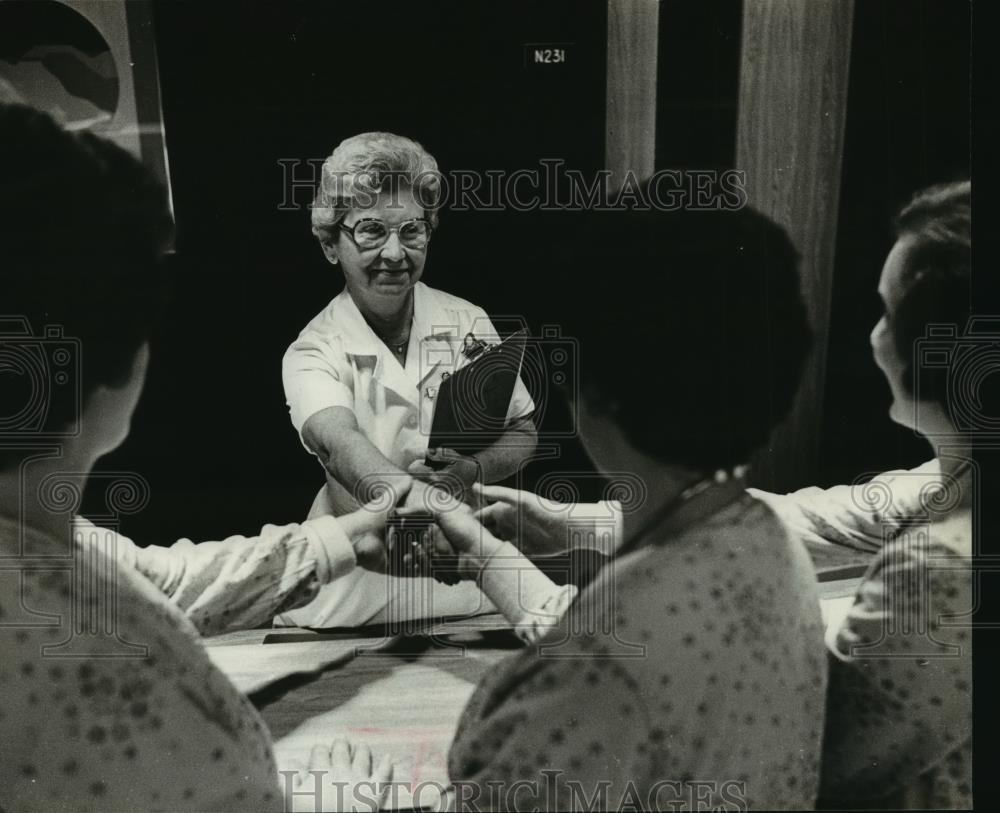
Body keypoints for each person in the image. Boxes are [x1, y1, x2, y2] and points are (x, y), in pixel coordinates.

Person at [471, 181, 974, 809]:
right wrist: (569, 526)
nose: (873, 339)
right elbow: (808, 518)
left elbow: (725, 698)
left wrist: (497, 569)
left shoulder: (947, 570)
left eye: (889, 314)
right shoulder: (937, 488)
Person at [0, 103, 391, 812]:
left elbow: (156, 580)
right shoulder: (127, 691)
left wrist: (342, 538)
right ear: (126, 367)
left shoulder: (47, 542)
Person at [413, 204, 828, 809]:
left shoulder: (597, 665)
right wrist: (486, 555)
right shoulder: (766, 540)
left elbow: (602, 665)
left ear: (594, 392)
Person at [278, 132, 538, 627]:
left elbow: (523, 434)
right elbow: (338, 444)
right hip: (352, 590)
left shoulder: (466, 320)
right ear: (332, 245)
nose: (395, 253)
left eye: (412, 231)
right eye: (371, 231)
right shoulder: (314, 349)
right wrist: (417, 497)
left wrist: (465, 473)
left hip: (465, 576)